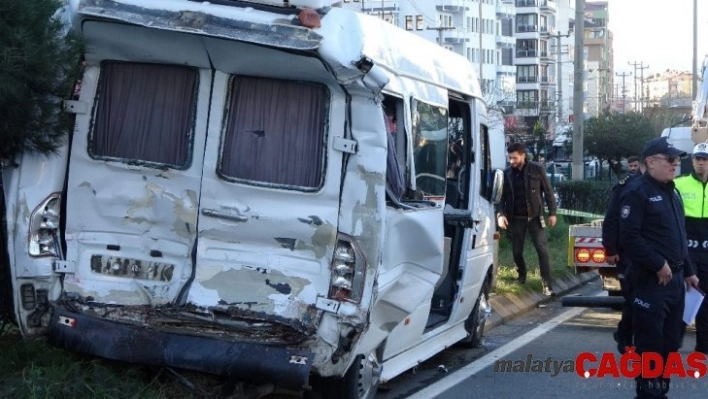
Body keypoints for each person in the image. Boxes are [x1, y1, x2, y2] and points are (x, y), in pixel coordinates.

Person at [619, 136, 700, 399]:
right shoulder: (637, 192)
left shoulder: (672, 192)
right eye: (670, 159)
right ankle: (647, 392)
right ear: (651, 162)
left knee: (671, 343)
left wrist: (687, 270)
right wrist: (657, 264)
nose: (676, 163)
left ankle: (660, 390)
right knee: (650, 343)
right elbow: (629, 237)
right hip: (650, 281)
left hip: (675, 281)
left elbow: (678, 235)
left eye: (677, 159)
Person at [496, 143, 558, 296]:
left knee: (542, 251)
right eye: (509, 158)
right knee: (517, 251)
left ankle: (547, 285)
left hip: (535, 217)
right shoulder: (506, 173)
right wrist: (500, 215)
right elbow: (500, 198)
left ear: (523, 155)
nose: (512, 161)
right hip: (516, 219)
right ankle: (521, 275)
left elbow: (548, 192)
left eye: (515, 158)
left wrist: (552, 213)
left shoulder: (537, 169)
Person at [602, 156, 644, 353]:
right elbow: (611, 219)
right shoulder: (625, 187)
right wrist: (610, 249)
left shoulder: (660, 187)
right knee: (633, 297)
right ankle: (625, 335)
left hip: (646, 253)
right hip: (626, 253)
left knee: (642, 297)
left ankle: (630, 335)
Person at [674, 142, 708, 353]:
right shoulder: (679, 184)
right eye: (698, 159)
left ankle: (703, 346)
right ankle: (672, 344)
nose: (701, 163)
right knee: (683, 301)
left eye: (705, 159)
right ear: (692, 161)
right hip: (687, 253)